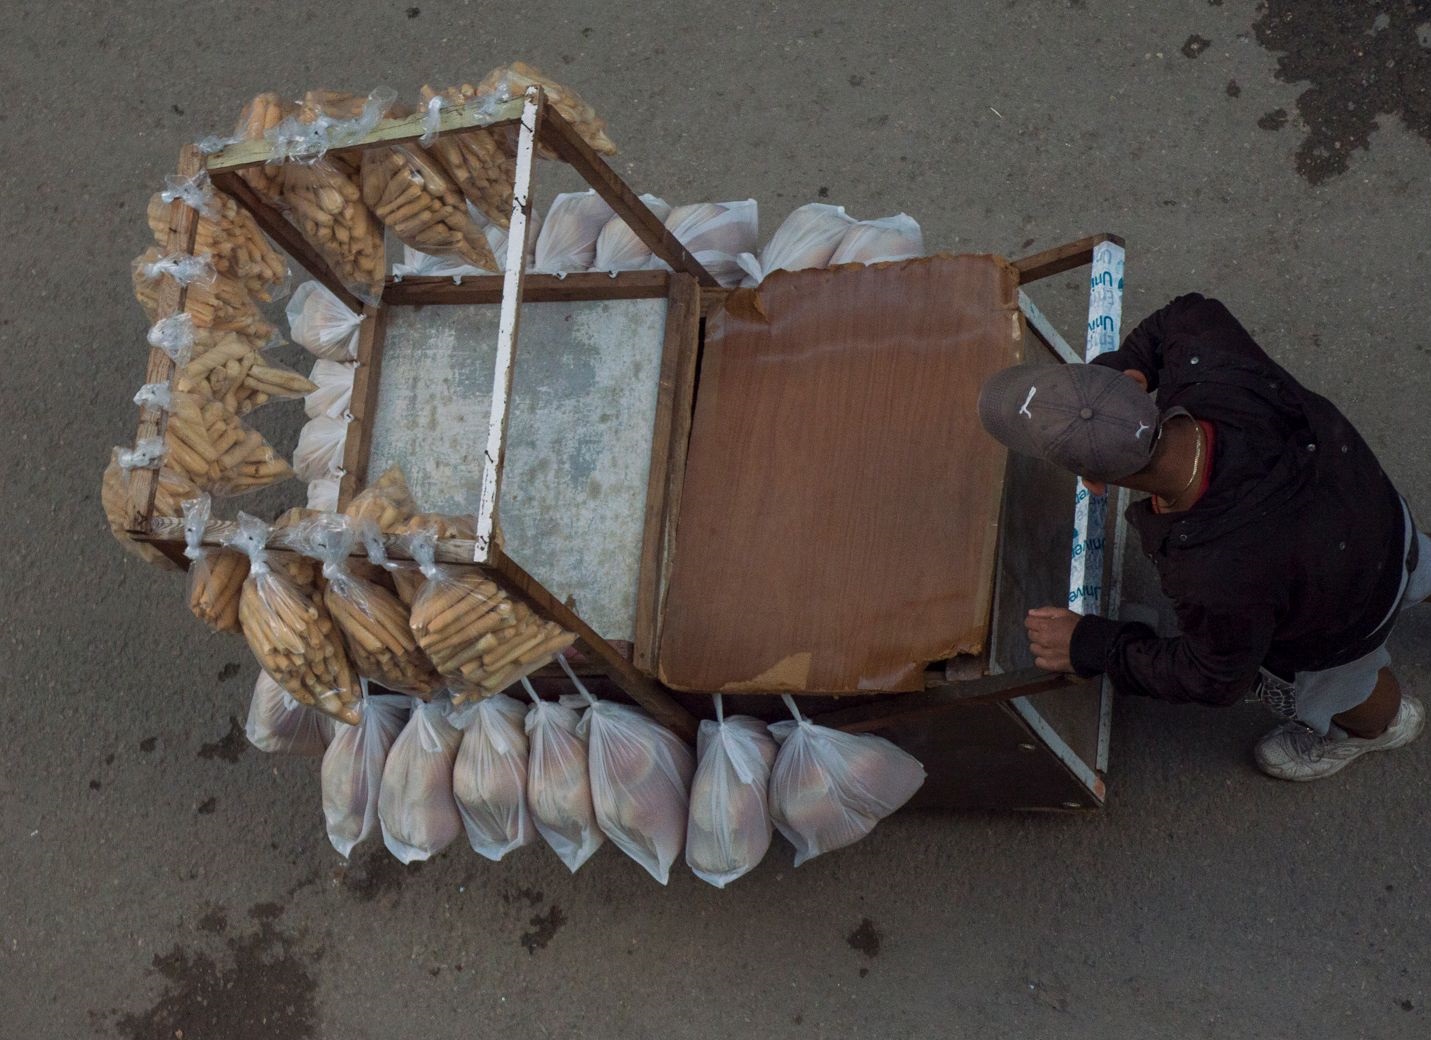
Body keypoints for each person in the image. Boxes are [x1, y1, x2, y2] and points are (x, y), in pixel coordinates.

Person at [976, 293, 1428, 781]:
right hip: (1376, 511)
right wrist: (1123, 367)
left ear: (1093, 482)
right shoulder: (1209, 361)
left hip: (1344, 609)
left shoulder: (1215, 573)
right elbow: (1182, 313)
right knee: (1417, 562)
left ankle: (1380, 726)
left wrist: (1094, 645)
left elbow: (1214, 677)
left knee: (1341, 685)